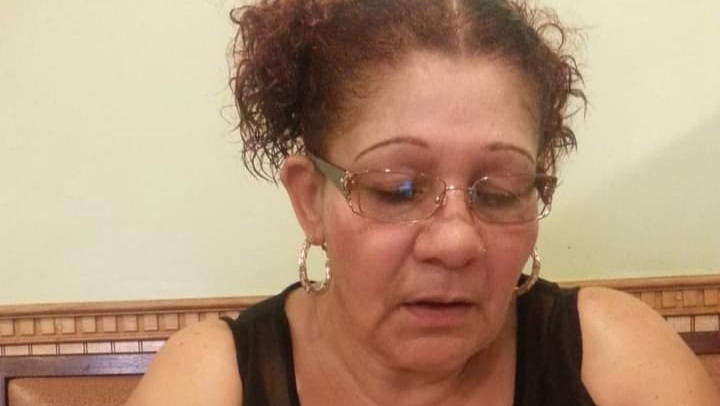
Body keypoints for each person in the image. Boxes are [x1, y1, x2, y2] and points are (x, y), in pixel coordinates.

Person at [125, 0, 720, 405]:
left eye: (500, 192)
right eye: (397, 189)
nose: (456, 241)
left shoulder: (617, 364)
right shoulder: (212, 382)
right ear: (309, 201)